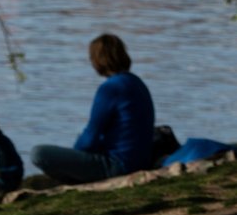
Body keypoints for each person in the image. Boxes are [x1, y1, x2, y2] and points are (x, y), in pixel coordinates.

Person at [31, 34, 155, 185]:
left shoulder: (110, 88)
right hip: (140, 160)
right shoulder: (136, 82)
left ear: (97, 60)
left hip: (119, 165)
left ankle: (74, 181)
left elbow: (91, 135)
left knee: (38, 153)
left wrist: (75, 155)